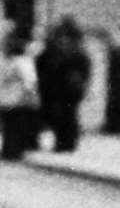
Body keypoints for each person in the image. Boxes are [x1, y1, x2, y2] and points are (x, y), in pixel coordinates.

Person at [36, 17, 92, 154]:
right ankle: (65, 142)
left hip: (65, 90)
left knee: (65, 116)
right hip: (59, 90)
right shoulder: (74, 52)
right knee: (61, 116)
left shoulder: (74, 53)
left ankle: (66, 143)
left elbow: (83, 70)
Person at [0, 31, 40, 161]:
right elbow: (29, 81)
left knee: (9, 126)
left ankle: (8, 150)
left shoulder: (1, 61)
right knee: (18, 126)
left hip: (4, 98)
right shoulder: (22, 61)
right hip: (18, 99)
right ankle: (15, 151)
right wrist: (32, 96)